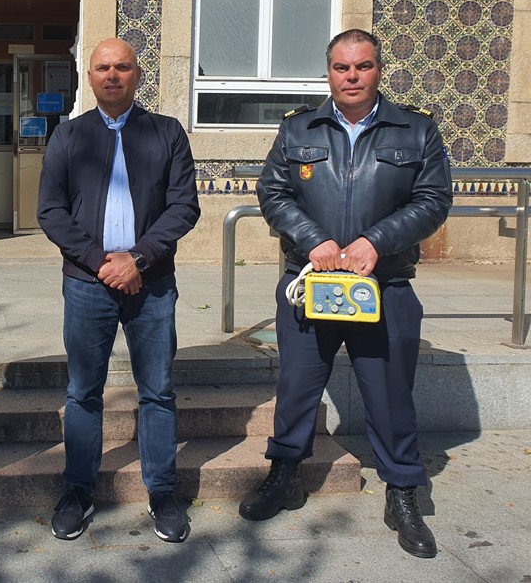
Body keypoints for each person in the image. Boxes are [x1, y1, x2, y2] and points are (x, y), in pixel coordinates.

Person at [241, 29, 452, 559]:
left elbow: (433, 200)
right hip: (311, 286)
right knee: (296, 388)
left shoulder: (417, 130)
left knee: (390, 394)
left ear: (379, 70)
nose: (351, 76)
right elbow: (273, 192)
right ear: (328, 73)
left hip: (385, 285)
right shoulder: (297, 130)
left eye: (362, 66)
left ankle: (403, 491)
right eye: (341, 67)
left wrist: (374, 242)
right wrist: (315, 241)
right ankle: (284, 473)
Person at [37, 38, 201, 543]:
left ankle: (162, 492)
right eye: (103, 67)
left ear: (137, 75)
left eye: (123, 67)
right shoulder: (67, 137)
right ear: (89, 76)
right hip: (88, 286)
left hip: (151, 285)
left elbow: (184, 206)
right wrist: (101, 263)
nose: (113, 75)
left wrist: (139, 258)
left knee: (157, 391)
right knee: (83, 392)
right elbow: (51, 211)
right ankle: (78, 492)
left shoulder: (167, 133)